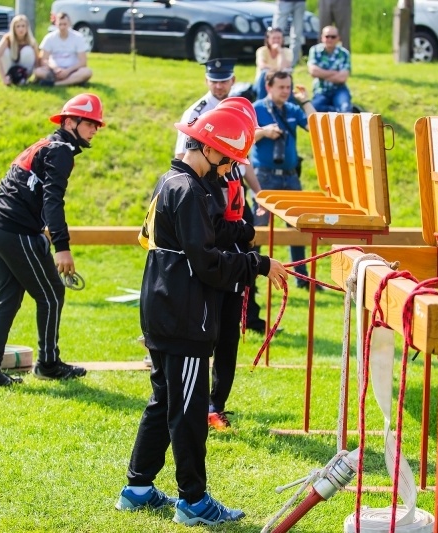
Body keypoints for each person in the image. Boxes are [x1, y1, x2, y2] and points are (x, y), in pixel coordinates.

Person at [117, 103, 288, 525]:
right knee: (189, 411)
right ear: (211, 150)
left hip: (161, 309)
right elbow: (207, 262)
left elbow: (204, 230)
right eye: (229, 159)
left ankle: (137, 488)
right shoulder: (191, 190)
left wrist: (240, 232)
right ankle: (193, 501)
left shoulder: (171, 180)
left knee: (163, 400)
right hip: (185, 316)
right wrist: (259, 265)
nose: (230, 168)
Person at [0, 93, 104, 387]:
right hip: (13, 230)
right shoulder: (59, 150)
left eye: (98, 125)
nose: (96, 129)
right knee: (51, 295)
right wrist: (62, 247)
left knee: (7, 298)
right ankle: (48, 365)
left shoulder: (49, 145)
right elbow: (52, 202)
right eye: (91, 123)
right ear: (71, 121)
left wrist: (2, 244)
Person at [175, 60, 264, 431]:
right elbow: (211, 230)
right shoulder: (200, 176)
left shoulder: (231, 162)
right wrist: (243, 234)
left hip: (233, 262)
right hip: (213, 265)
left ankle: (216, 404)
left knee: (228, 337)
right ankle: (195, 404)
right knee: (204, 337)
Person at [252, 70, 317, 288]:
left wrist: (305, 101)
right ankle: (251, 277)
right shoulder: (257, 108)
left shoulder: (292, 108)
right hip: (264, 177)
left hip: (290, 177)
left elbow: (316, 127)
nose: (285, 91)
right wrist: (263, 132)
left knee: (297, 227)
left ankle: (302, 277)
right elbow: (243, 136)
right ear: (268, 87)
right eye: (281, 87)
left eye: (288, 87)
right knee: (259, 228)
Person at [33, 12, 92, 87]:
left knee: (87, 72)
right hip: (54, 70)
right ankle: (73, 81)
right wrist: (55, 69)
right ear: (56, 24)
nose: (62, 27)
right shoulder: (49, 38)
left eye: (65, 24)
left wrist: (67, 71)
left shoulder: (78, 37)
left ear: (69, 24)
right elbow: (44, 59)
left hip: (72, 70)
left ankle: (57, 84)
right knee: (38, 71)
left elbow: (83, 62)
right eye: (60, 24)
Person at [307, 25, 352, 113]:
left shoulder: (344, 53)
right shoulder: (315, 50)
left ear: (338, 38)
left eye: (333, 37)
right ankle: (336, 114)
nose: (330, 39)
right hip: (321, 89)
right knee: (314, 108)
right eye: (327, 36)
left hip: (339, 89)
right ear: (322, 37)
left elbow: (342, 78)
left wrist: (322, 74)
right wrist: (335, 73)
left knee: (345, 108)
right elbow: (313, 71)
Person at [0, 14, 39, 86]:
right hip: (9, 66)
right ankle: (8, 77)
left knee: (27, 51)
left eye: (23, 26)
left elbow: (37, 60)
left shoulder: (32, 42)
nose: (21, 29)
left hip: (25, 69)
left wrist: (37, 76)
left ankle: (22, 77)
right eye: (18, 26)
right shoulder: (7, 39)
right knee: (5, 52)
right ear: (14, 28)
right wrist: (3, 78)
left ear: (27, 28)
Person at [254, 27, 293, 100]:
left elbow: (283, 68)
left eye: (279, 38)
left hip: (280, 81)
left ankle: (289, 105)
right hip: (263, 81)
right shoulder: (262, 50)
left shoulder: (287, 52)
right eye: (274, 38)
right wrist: (276, 70)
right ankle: (261, 102)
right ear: (268, 39)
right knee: (264, 73)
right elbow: (262, 65)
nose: (276, 41)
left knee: (287, 75)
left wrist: (280, 52)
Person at [272, 0, 305, 64]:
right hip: (283, 2)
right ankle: (274, 61)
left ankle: (291, 64)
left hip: (300, 2)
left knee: (297, 35)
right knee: (276, 34)